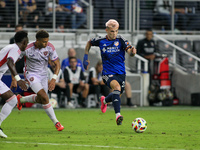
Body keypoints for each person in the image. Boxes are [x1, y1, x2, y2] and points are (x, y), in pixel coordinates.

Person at [83, 19, 137, 125]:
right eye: (112, 31)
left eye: (116, 31)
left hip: (121, 72)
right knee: (116, 88)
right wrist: (85, 57)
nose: (114, 34)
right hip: (107, 72)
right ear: (106, 30)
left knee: (117, 94)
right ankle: (118, 116)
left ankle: (104, 101)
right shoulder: (101, 40)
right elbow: (89, 43)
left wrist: (133, 53)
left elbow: (129, 52)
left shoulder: (121, 39)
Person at [15, 29, 64, 131]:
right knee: (44, 97)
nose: (46, 43)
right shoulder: (27, 49)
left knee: (42, 99)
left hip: (43, 75)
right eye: (44, 41)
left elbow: (57, 64)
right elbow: (13, 61)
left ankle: (21, 99)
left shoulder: (50, 47)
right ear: (37, 40)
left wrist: (53, 79)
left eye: (47, 41)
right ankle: (57, 122)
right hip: (31, 74)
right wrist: (14, 78)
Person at [0, 30, 29, 138]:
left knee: (12, 100)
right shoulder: (15, 49)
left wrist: (14, 79)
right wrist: (18, 79)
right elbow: (10, 62)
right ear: (25, 42)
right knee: (12, 100)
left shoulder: (12, 48)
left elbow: (11, 62)